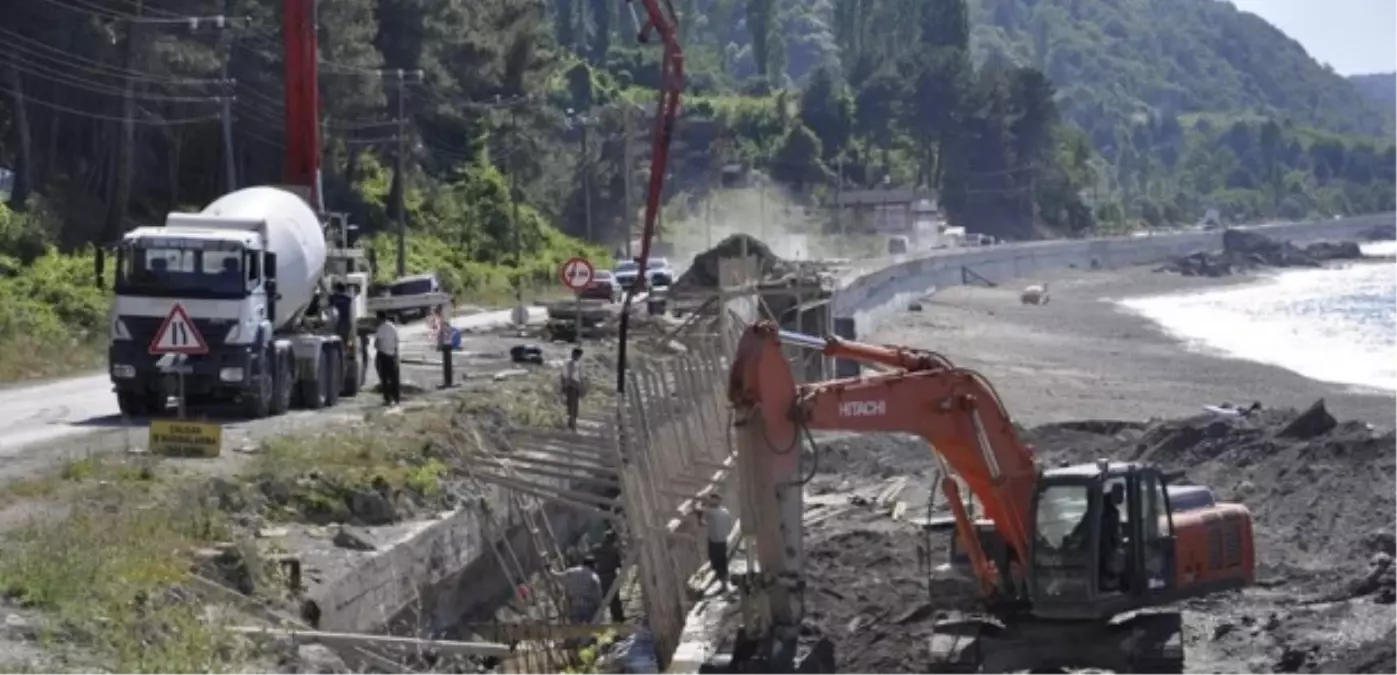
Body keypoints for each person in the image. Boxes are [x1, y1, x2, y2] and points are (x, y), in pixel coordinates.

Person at [696, 493, 733, 593]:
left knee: (717, 563)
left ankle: (724, 584)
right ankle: (724, 584)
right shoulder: (725, 511)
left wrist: (700, 501)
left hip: (715, 542)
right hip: (723, 540)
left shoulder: (712, 512)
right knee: (722, 562)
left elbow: (698, 509)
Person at [553, 556, 602, 624]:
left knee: (576, 629)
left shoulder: (572, 572)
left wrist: (551, 571)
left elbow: (559, 577)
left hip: (574, 606)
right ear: (592, 565)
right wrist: (599, 607)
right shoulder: (593, 576)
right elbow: (598, 594)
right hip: (588, 606)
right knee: (590, 629)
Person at [592, 529, 626, 622]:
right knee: (614, 602)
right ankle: (618, 621)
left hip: (599, 578)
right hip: (610, 578)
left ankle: (595, 622)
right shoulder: (614, 551)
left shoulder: (596, 549)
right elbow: (619, 565)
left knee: (598, 602)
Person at [1100, 482, 1125, 590]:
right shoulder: (1108, 511)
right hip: (1103, 547)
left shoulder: (1105, 506)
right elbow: (1110, 533)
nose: (1121, 498)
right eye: (1119, 494)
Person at [373, 311, 401, 406]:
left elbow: (377, 343)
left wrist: (377, 347)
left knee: (384, 378)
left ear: (380, 318)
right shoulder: (393, 326)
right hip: (393, 354)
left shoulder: (381, 328)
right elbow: (397, 341)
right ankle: (396, 398)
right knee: (394, 378)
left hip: (383, 355)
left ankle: (387, 399)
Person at [560, 347, 585, 431]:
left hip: (575, 385)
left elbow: (580, 377)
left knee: (574, 404)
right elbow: (565, 376)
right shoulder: (569, 363)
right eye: (578, 355)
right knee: (571, 404)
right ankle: (571, 421)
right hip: (571, 385)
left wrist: (581, 386)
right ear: (574, 354)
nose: (578, 357)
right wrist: (565, 385)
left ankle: (572, 421)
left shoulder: (578, 364)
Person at [430, 305, 455, 388]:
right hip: (448, 343)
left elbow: (441, 334)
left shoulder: (442, 321)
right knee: (448, 364)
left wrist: (439, 344)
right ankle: (448, 381)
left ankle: (448, 382)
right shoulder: (445, 320)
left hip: (446, 344)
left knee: (447, 365)